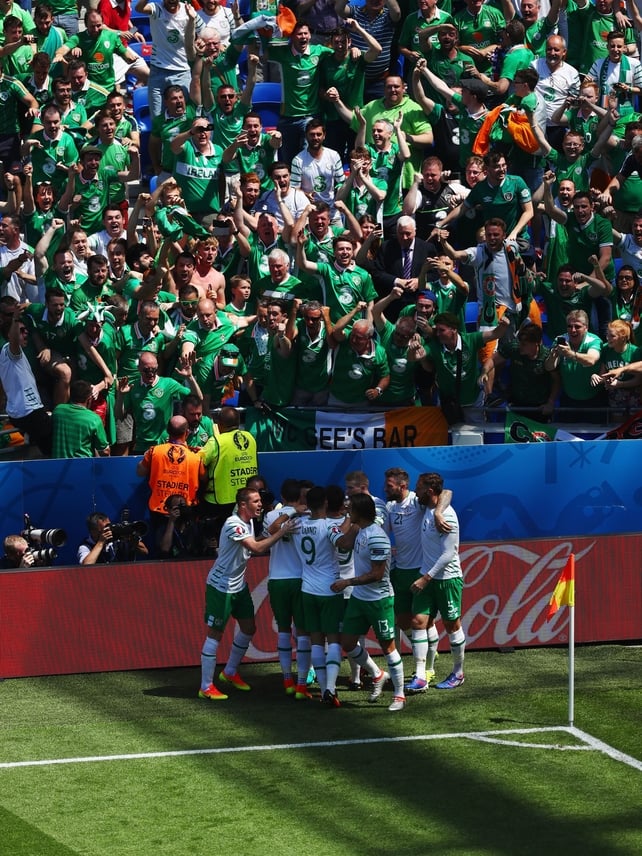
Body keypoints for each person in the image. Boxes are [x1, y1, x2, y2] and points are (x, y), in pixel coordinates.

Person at [198, 487, 299, 700]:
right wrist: (282, 532)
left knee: (249, 627)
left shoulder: (249, 521)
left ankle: (230, 672)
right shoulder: (233, 523)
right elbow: (256, 547)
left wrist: (287, 515)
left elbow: (262, 536)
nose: (260, 504)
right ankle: (206, 686)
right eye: (255, 501)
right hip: (220, 587)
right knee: (215, 633)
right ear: (243, 505)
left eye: (260, 500)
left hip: (238, 585)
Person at [330, 493, 406, 712]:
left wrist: (348, 582)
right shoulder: (361, 531)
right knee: (348, 643)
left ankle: (399, 695)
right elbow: (343, 543)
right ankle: (377, 674)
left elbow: (377, 574)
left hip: (379, 601)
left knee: (388, 647)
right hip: (359, 598)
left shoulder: (377, 537)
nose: (347, 512)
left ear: (359, 512)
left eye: (350, 509)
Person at [383, 467, 452, 692]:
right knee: (403, 622)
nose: (385, 488)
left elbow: (447, 492)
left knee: (420, 622)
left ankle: (425, 671)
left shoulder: (417, 501)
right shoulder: (390, 507)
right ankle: (430, 650)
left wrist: (439, 513)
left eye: (389, 485)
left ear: (403, 486)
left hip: (420, 571)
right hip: (399, 570)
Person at [410, 471, 466, 690]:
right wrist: (436, 511)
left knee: (452, 625)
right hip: (428, 576)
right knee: (417, 622)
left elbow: (448, 554)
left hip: (447, 579)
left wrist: (426, 578)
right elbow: (448, 491)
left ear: (430, 491)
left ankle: (458, 673)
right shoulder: (428, 508)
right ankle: (421, 675)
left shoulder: (448, 516)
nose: (416, 491)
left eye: (419, 487)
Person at [290, 485, 345, 706]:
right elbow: (343, 544)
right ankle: (331, 688)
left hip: (307, 589)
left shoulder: (297, 524)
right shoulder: (331, 525)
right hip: (330, 589)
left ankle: (324, 690)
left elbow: (277, 527)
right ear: (325, 503)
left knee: (315, 641)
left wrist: (295, 511)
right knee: (332, 639)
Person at [263, 479, 313, 699]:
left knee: (284, 630)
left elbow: (271, 531)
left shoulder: (271, 515)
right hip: (301, 580)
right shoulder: (307, 516)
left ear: (282, 497)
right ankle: (302, 684)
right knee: (303, 632)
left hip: (277, 579)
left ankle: (286, 679)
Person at [0, 304, 52, 455]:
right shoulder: (9, 350)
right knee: (54, 440)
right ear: (10, 334)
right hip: (28, 412)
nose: (26, 333)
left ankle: (32, 440)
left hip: (24, 412)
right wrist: (15, 319)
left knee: (39, 448)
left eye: (26, 330)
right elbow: (14, 341)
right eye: (21, 331)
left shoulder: (13, 355)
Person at [136, 414, 205, 528]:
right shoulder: (195, 457)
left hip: (159, 509)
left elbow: (140, 472)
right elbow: (204, 477)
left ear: (167, 431)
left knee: (159, 544)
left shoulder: (154, 451)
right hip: (185, 510)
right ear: (187, 433)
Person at [200, 406, 258, 539]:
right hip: (247, 499)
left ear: (219, 424)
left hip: (220, 501)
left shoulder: (216, 442)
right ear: (238, 423)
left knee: (223, 540)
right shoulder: (250, 438)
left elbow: (199, 463)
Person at [480, 322, 561, 419]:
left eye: (524, 344)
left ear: (536, 343)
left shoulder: (547, 357)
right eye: (519, 342)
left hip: (539, 406)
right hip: (516, 403)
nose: (520, 346)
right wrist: (485, 372)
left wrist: (550, 402)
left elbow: (556, 380)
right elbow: (493, 360)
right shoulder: (514, 348)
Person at [544, 308, 606, 421]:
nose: (572, 330)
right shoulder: (560, 340)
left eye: (577, 326)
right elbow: (549, 367)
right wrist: (553, 356)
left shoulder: (593, 341)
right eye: (569, 326)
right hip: (569, 398)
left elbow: (591, 359)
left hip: (594, 399)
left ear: (586, 328)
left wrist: (570, 354)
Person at [52, 379, 111, 458]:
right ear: (89, 399)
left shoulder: (58, 411)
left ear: (70, 394)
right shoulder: (94, 419)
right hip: (84, 467)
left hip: (57, 467)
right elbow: (105, 451)